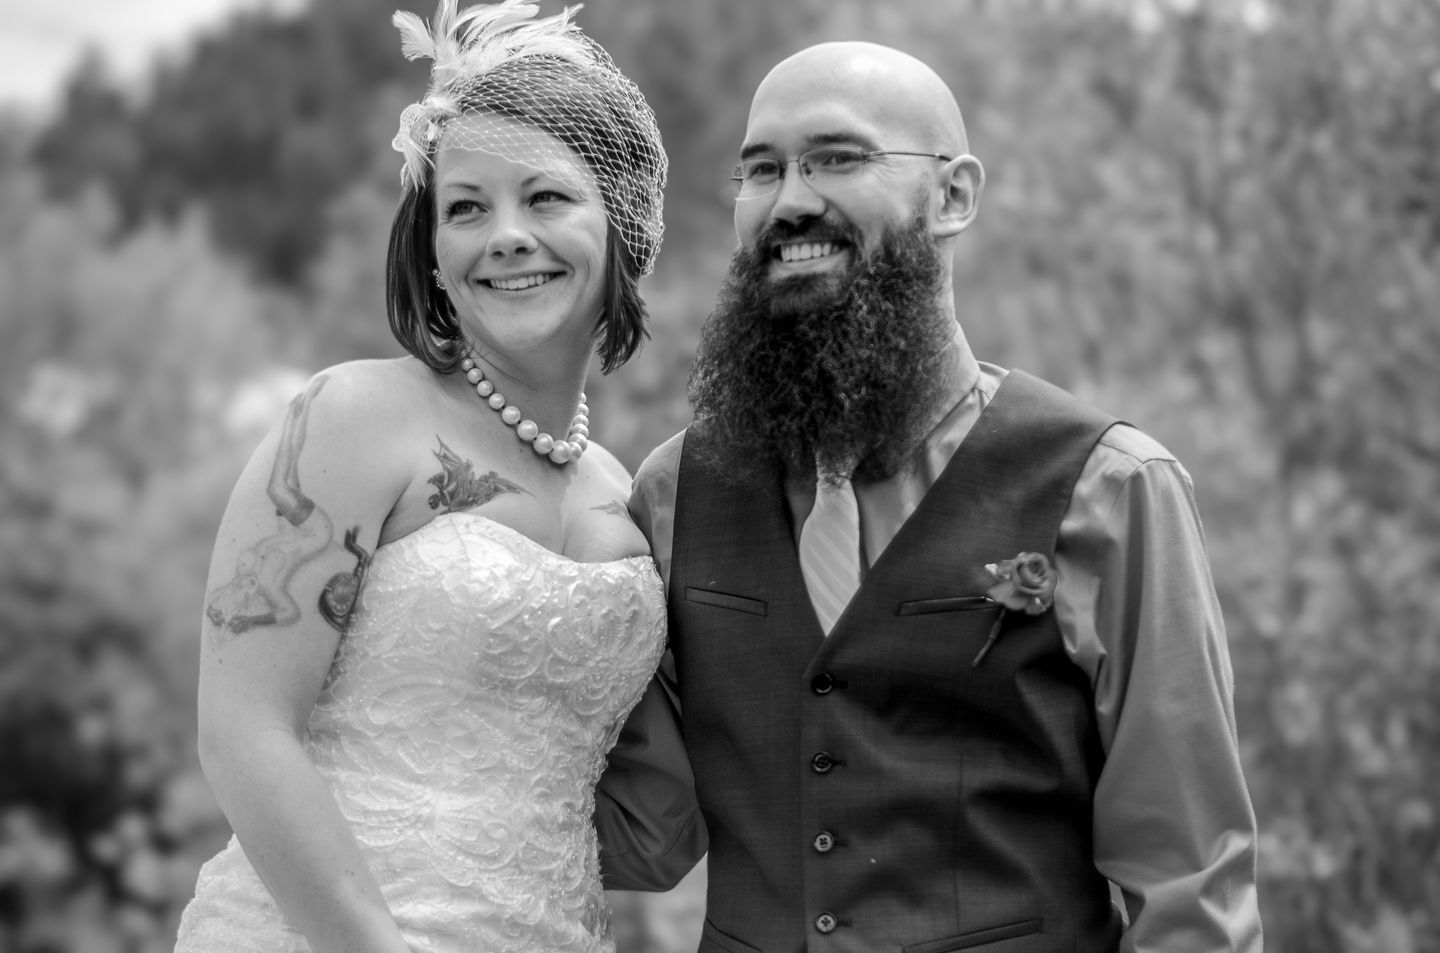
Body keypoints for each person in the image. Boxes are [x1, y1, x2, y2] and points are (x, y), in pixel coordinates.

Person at [598, 40, 1263, 953]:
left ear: (953, 195)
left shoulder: (1109, 490)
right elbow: (650, 828)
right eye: (762, 169)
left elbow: (1190, 881)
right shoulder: (673, 492)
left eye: (837, 156)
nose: (791, 199)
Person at [173, 2, 700, 951]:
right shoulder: (355, 417)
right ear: (434, 254)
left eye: (545, 198)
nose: (504, 235)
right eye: (465, 207)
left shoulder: (629, 492)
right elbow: (244, 731)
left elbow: (656, 817)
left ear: (623, 225)